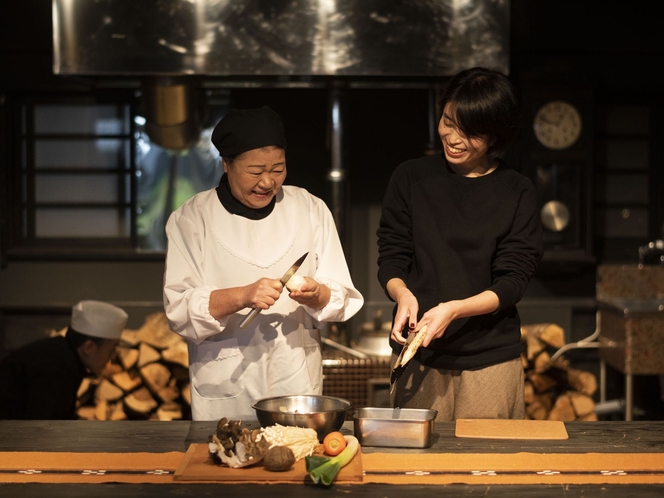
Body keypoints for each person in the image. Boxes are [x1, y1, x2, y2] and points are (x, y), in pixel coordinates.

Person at [163, 105, 363, 422]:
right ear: (226, 164)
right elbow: (179, 309)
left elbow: (340, 296)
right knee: (229, 465)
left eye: (278, 169)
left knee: (295, 462)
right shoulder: (192, 217)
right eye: (256, 171)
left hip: (296, 381)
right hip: (226, 385)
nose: (268, 182)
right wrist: (242, 296)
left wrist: (316, 294)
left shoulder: (310, 208)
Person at [377, 67, 543, 421]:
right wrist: (402, 294)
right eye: (449, 121)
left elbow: (512, 282)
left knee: (488, 467)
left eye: (471, 133)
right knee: (416, 468)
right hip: (417, 352)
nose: (453, 137)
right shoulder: (411, 177)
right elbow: (392, 255)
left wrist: (454, 309)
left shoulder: (516, 191)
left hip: (490, 360)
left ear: (496, 136)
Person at [0, 300, 128, 420]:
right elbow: (42, 430)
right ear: (89, 347)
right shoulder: (58, 367)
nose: (113, 356)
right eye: (112, 348)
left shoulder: (61, 354)